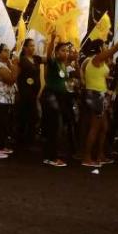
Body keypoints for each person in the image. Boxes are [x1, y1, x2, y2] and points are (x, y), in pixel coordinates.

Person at [80, 26, 118, 168]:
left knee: (104, 127)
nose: (107, 47)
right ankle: (87, 157)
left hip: (99, 94)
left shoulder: (98, 61)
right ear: (100, 48)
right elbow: (117, 47)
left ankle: (99, 155)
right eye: (105, 45)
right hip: (95, 95)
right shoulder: (97, 59)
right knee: (95, 127)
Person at [41, 34, 71, 167]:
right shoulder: (53, 63)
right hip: (50, 98)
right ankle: (52, 157)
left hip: (60, 98)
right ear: (57, 52)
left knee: (57, 128)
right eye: (63, 50)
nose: (66, 53)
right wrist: (52, 41)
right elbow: (48, 56)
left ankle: (51, 156)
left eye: (67, 51)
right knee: (54, 127)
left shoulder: (63, 65)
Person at [16, 38, 44, 145]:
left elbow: (49, 58)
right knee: (23, 116)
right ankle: (20, 140)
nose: (33, 48)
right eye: (31, 46)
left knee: (34, 117)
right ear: (25, 47)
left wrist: (51, 43)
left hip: (34, 93)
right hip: (24, 92)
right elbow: (17, 75)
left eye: (34, 45)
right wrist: (18, 91)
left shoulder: (36, 59)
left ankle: (30, 140)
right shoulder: (21, 60)